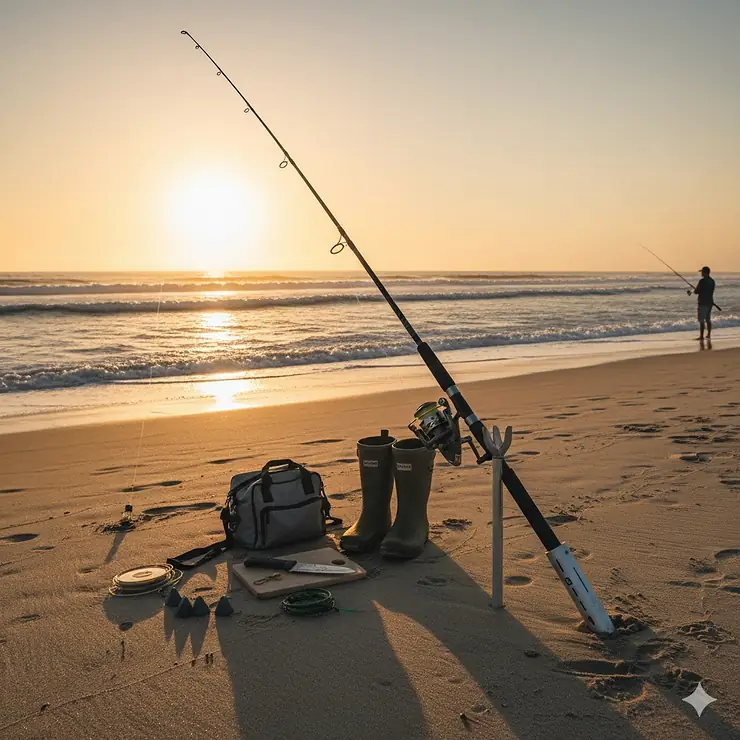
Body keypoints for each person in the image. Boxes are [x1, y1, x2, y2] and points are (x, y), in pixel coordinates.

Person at [690, 266, 715, 341]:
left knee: (701, 320)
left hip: (702, 303)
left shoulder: (702, 281)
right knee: (708, 319)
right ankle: (708, 334)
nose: (701, 273)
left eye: (702, 272)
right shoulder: (712, 281)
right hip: (710, 302)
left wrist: (691, 292)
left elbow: (696, 291)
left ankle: (701, 336)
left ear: (704, 272)